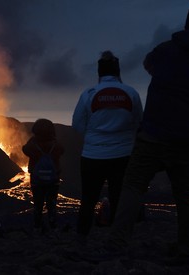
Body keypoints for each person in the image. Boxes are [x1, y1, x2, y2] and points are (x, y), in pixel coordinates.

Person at [103, 3, 189, 264]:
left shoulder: (165, 51)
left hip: (154, 133)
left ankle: (117, 243)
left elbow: (148, 64)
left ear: (187, 21)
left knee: (133, 185)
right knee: (186, 194)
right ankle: (188, 247)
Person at [72, 50, 143, 243]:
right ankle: (118, 239)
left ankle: (81, 238)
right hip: (123, 154)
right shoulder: (131, 93)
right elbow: (138, 122)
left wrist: (94, 138)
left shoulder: (88, 94)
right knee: (119, 197)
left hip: (93, 155)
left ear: (99, 72)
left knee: (88, 198)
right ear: (118, 71)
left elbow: (77, 123)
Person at [22, 118, 64, 233]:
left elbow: (25, 150)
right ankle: (53, 226)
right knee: (52, 204)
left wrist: (32, 140)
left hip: (37, 180)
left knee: (38, 204)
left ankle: (37, 226)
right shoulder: (55, 145)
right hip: (53, 180)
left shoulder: (33, 145)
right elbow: (62, 150)